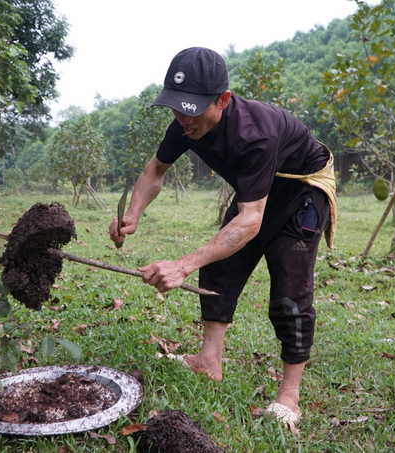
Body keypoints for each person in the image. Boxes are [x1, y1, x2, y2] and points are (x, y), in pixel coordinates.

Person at [108, 47, 336, 431]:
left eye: (192, 109)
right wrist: (132, 215)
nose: (183, 118)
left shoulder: (255, 133)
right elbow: (155, 170)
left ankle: (289, 396)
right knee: (219, 271)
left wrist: (181, 265)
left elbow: (249, 223)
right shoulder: (185, 124)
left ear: (224, 100)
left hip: (301, 195)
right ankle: (208, 361)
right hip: (255, 196)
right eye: (176, 108)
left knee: (289, 294)